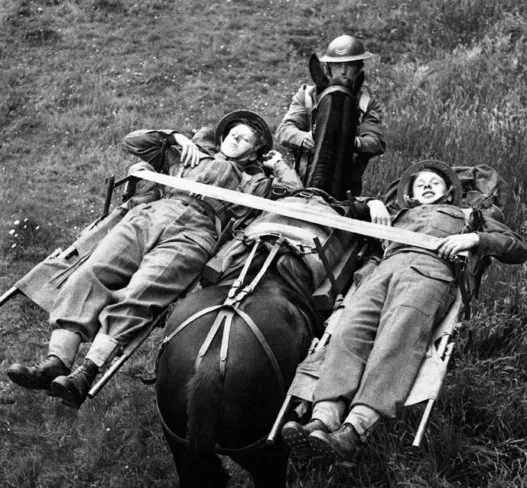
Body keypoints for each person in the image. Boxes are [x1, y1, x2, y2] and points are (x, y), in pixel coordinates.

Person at [7, 110, 303, 409]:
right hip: (150, 216)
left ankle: (86, 372)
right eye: (231, 135)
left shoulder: (257, 181)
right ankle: (57, 361)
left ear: (255, 149)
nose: (234, 141)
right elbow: (134, 141)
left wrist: (278, 165)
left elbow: (296, 194)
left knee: (142, 291)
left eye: (244, 139)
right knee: (90, 273)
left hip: (196, 233)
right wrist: (173, 136)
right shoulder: (191, 155)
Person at [281, 159, 527, 462]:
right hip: (381, 272)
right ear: (408, 193)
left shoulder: (470, 215)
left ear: (449, 192)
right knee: (349, 332)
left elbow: (517, 246)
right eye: (419, 182)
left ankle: (355, 428)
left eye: (434, 182)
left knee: (397, 336)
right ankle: (324, 417)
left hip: (429, 272)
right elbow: (343, 206)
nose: (426, 185)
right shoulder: (397, 214)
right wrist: (373, 203)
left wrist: (475, 238)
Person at [275, 34, 386, 195]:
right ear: (328, 68)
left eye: (349, 65)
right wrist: (303, 138)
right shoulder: (307, 96)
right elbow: (284, 130)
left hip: (345, 187)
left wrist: (353, 142)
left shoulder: (367, 104)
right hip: (299, 182)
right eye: (337, 65)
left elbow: (376, 141)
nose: (343, 72)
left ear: (359, 67)